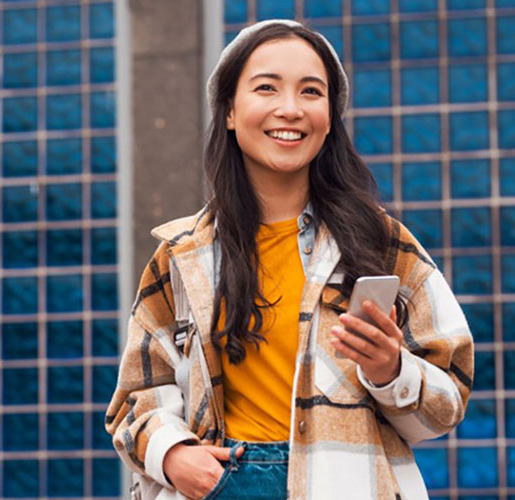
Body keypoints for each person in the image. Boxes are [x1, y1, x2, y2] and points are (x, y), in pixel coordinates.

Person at [105, 19, 474, 500]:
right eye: (266, 88)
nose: (290, 109)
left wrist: (391, 370)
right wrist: (172, 455)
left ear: (330, 115)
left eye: (311, 92)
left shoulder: (381, 243)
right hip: (221, 484)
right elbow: (134, 399)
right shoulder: (182, 255)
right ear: (231, 111)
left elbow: (446, 401)